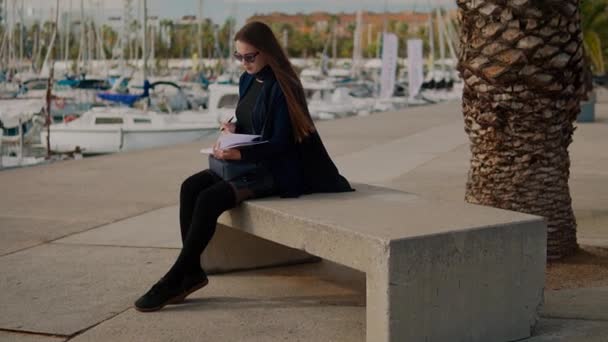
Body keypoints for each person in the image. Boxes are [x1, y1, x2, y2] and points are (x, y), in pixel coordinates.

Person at [134, 21, 353, 312]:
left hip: (277, 170)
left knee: (210, 199)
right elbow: (250, 121)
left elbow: (282, 144)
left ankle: (178, 277)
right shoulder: (248, 80)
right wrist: (233, 128)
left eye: (250, 57)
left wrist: (237, 156)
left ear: (268, 52)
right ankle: (191, 271)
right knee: (190, 187)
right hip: (249, 163)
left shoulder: (284, 86)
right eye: (240, 57)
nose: (245, 63)